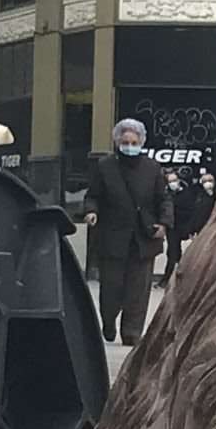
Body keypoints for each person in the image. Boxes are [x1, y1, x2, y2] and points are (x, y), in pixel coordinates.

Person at [84, 118, 172, 346]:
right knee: (111, 288)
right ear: (117, 142)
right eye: (125, 142)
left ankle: (132, 332)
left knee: (138, 291)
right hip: (113, 237)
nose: (130, 146)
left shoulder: (152, 168)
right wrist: (91, 211)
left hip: (143, 238)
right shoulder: (105, 166)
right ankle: (109, 320)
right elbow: (93, 195)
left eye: (134, 142)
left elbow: (163, 199)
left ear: (141, 142)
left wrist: (164, 223)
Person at [164, 164, 216, 279]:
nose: (208, 183)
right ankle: (168, 277)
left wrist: (191, 228)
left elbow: (195, 212)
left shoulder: (195, 194)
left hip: (197, 227)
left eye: (210, 180)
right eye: (170, 181)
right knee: (173, 253)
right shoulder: (167, 195)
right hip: (174, 228)